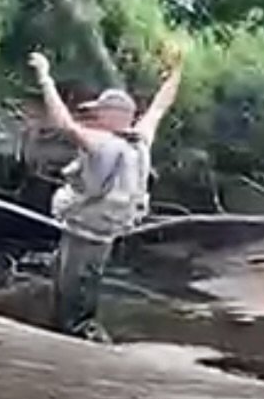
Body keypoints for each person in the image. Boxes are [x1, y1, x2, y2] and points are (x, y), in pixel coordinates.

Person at [27, 42, 185, 341]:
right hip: (105, 232)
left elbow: (63, 122)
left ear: (117, 116)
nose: (95, 116)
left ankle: (81, 345)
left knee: (71, 295)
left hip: (84, 232)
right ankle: (76, 335)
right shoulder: (141, 141)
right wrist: (176, 72)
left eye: (100, 111)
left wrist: (45, 77)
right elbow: (160, 106)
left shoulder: (101, 143)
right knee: (81, 286)